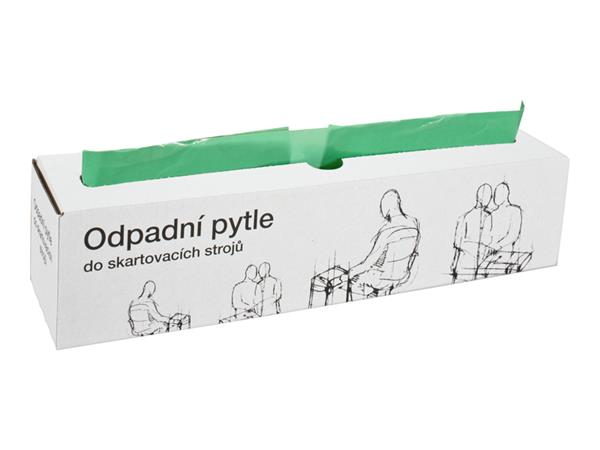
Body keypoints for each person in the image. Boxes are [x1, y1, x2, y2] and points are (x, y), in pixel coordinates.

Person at [345, 189, 420, 295]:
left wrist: (348, 274)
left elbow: (368, 263)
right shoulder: (414, 222)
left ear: (385, 208)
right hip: (403, 275)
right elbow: (414, 253)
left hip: (382, 278)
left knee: (352, 283)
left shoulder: (387, 230)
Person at [451, 183, 494, 282]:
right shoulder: (487, 216)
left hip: (463, 262)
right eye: (489, 196)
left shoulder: (463, 217)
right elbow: (488, 240)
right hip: (475, 263)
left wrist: (454, 263)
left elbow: (457, 243)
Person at [489, 182, 523, 251]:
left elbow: (513, 235)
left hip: (505, 251)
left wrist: (498, 245)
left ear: (505, 195)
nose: (495, 197)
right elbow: (491, 234)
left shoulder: (515, 210)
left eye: (498, 194)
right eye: (495, 194)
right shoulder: (493, 213)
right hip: (490, 250)